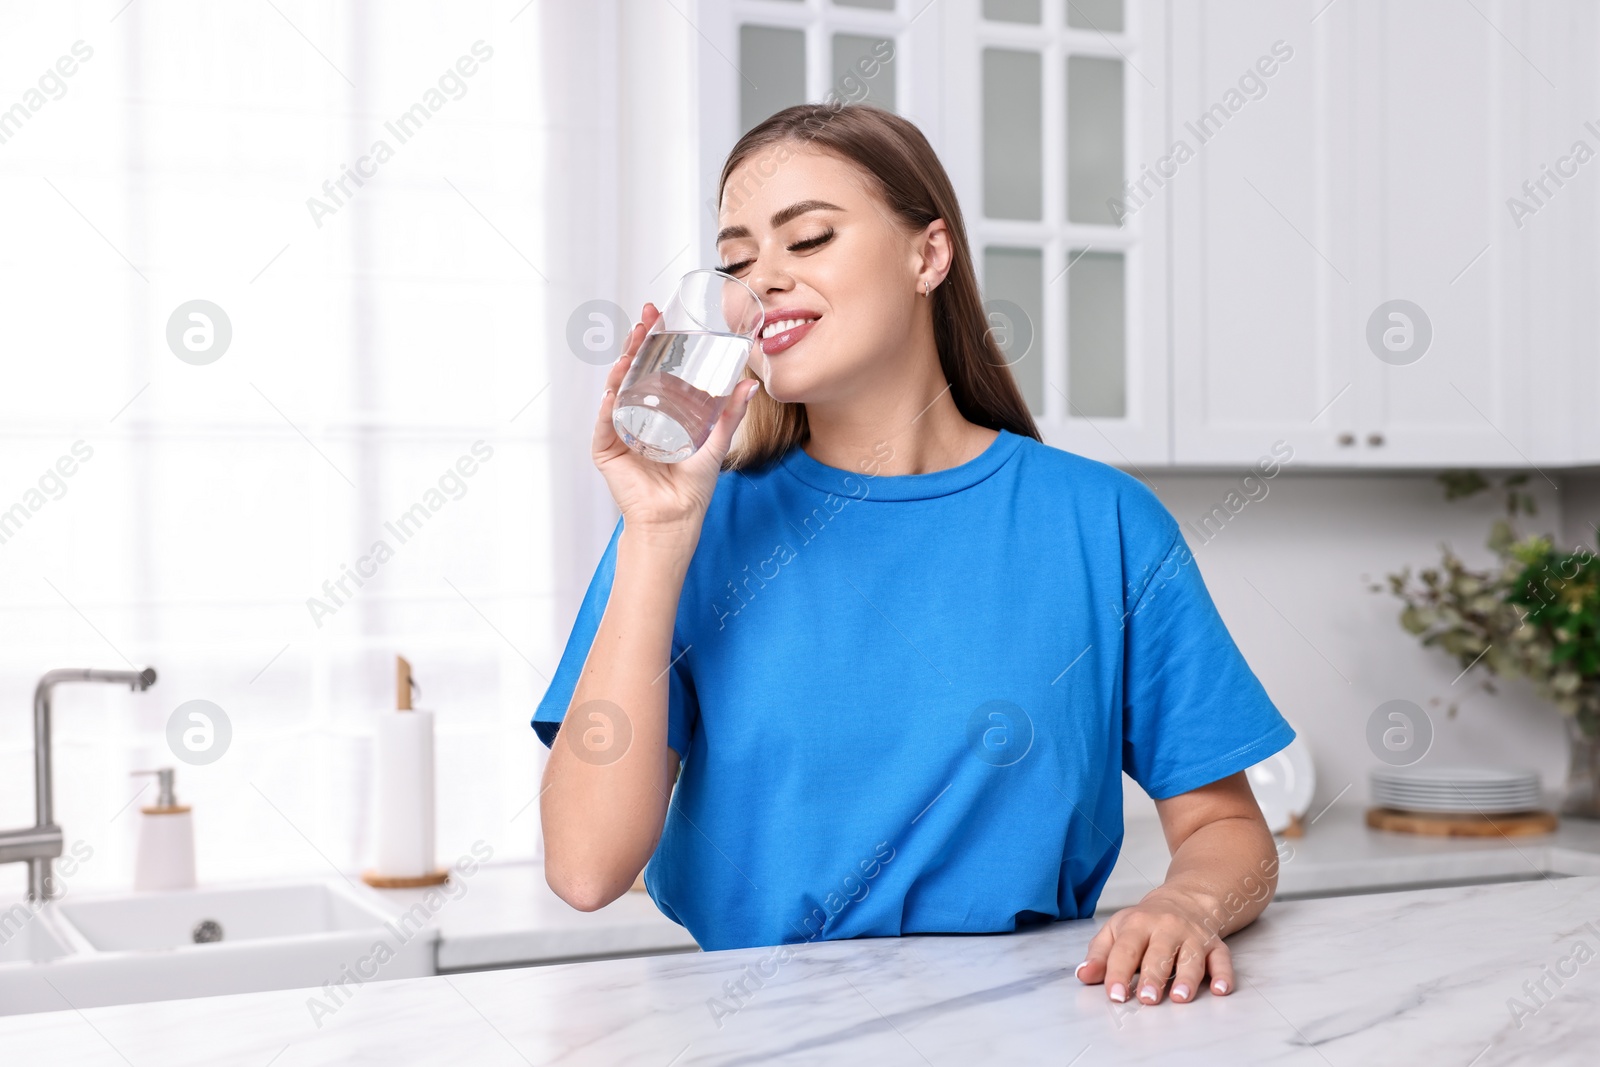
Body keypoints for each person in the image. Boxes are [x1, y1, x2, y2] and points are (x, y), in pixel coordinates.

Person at [534, 102, 1294, 1008]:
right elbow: (585, 870)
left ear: (928, 255)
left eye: (807, 238)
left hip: (1034, 1024)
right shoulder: (690, 526)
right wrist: (657, 541)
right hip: (753, 1028)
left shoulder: (1104, 523)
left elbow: (1225, 827)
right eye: (736, 260)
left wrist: (1186, 904)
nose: (759, 282)